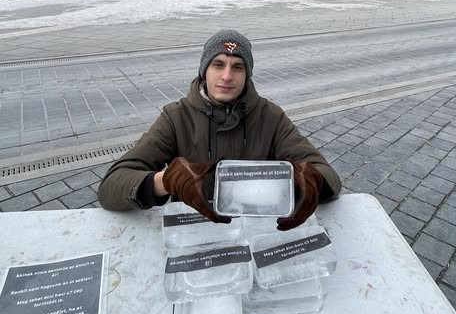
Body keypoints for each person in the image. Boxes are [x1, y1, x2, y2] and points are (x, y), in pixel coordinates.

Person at [98, 29, 341, 230]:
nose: (226, 76)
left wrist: (312, 181)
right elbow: (111, 187)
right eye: (218, 64)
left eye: (237, 67)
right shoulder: (176, 117)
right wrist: (166, 181)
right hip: (193, 230)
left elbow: (328, 175)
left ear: (247, 75)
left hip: (256, 230)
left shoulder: (271, 117)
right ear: (204, 70)